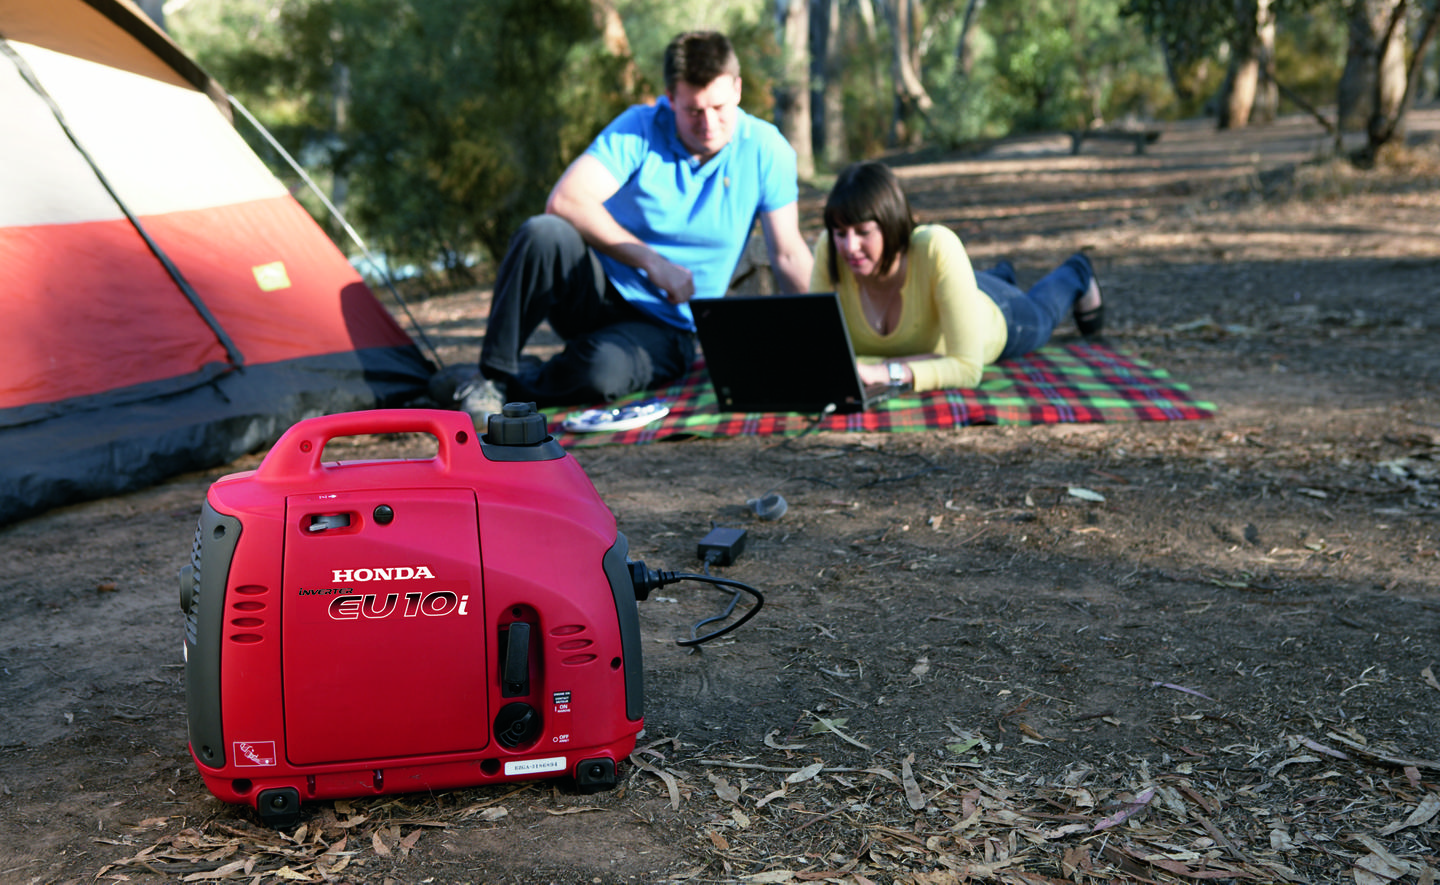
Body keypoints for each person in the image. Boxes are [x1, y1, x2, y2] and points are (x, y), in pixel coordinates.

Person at [456, 30, 814, 424]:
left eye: (719, 107)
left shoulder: (767, 149)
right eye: (694, 111)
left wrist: (826, 336)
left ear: (738, 89)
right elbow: (566, 200)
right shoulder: (639, 127)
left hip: (669, 325)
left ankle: (495, 386)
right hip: (595, 292)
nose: (709, 123)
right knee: (543, 233)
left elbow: (788, 253)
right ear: (670, 97)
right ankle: (490, 378)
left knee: (600, 373)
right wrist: (651, 261)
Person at [811, 161, 1104, 392]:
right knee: (980, 281)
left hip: (995, 315)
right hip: (955, 288)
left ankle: (1076, 271)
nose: (849, 246)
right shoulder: (830, 250)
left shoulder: (936, 246)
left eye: (863, 232)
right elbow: (820, 355)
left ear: (891, 225)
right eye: (840, 233)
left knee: (1041, 315)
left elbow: (967, 368)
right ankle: (1002, 274)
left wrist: (887, 372)